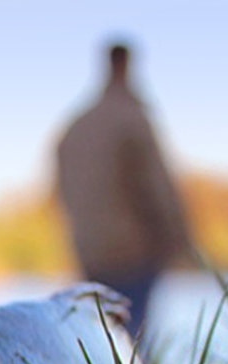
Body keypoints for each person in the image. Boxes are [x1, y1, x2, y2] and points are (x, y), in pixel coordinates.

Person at [55, 42, 192, 337]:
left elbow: (61, 191)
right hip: (133, 252)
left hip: (89, 252)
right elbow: (156, 186)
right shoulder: (131, 117)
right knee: (132, 343)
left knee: (103, 340)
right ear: (126, 65)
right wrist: (181, 240)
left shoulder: (76, 126)